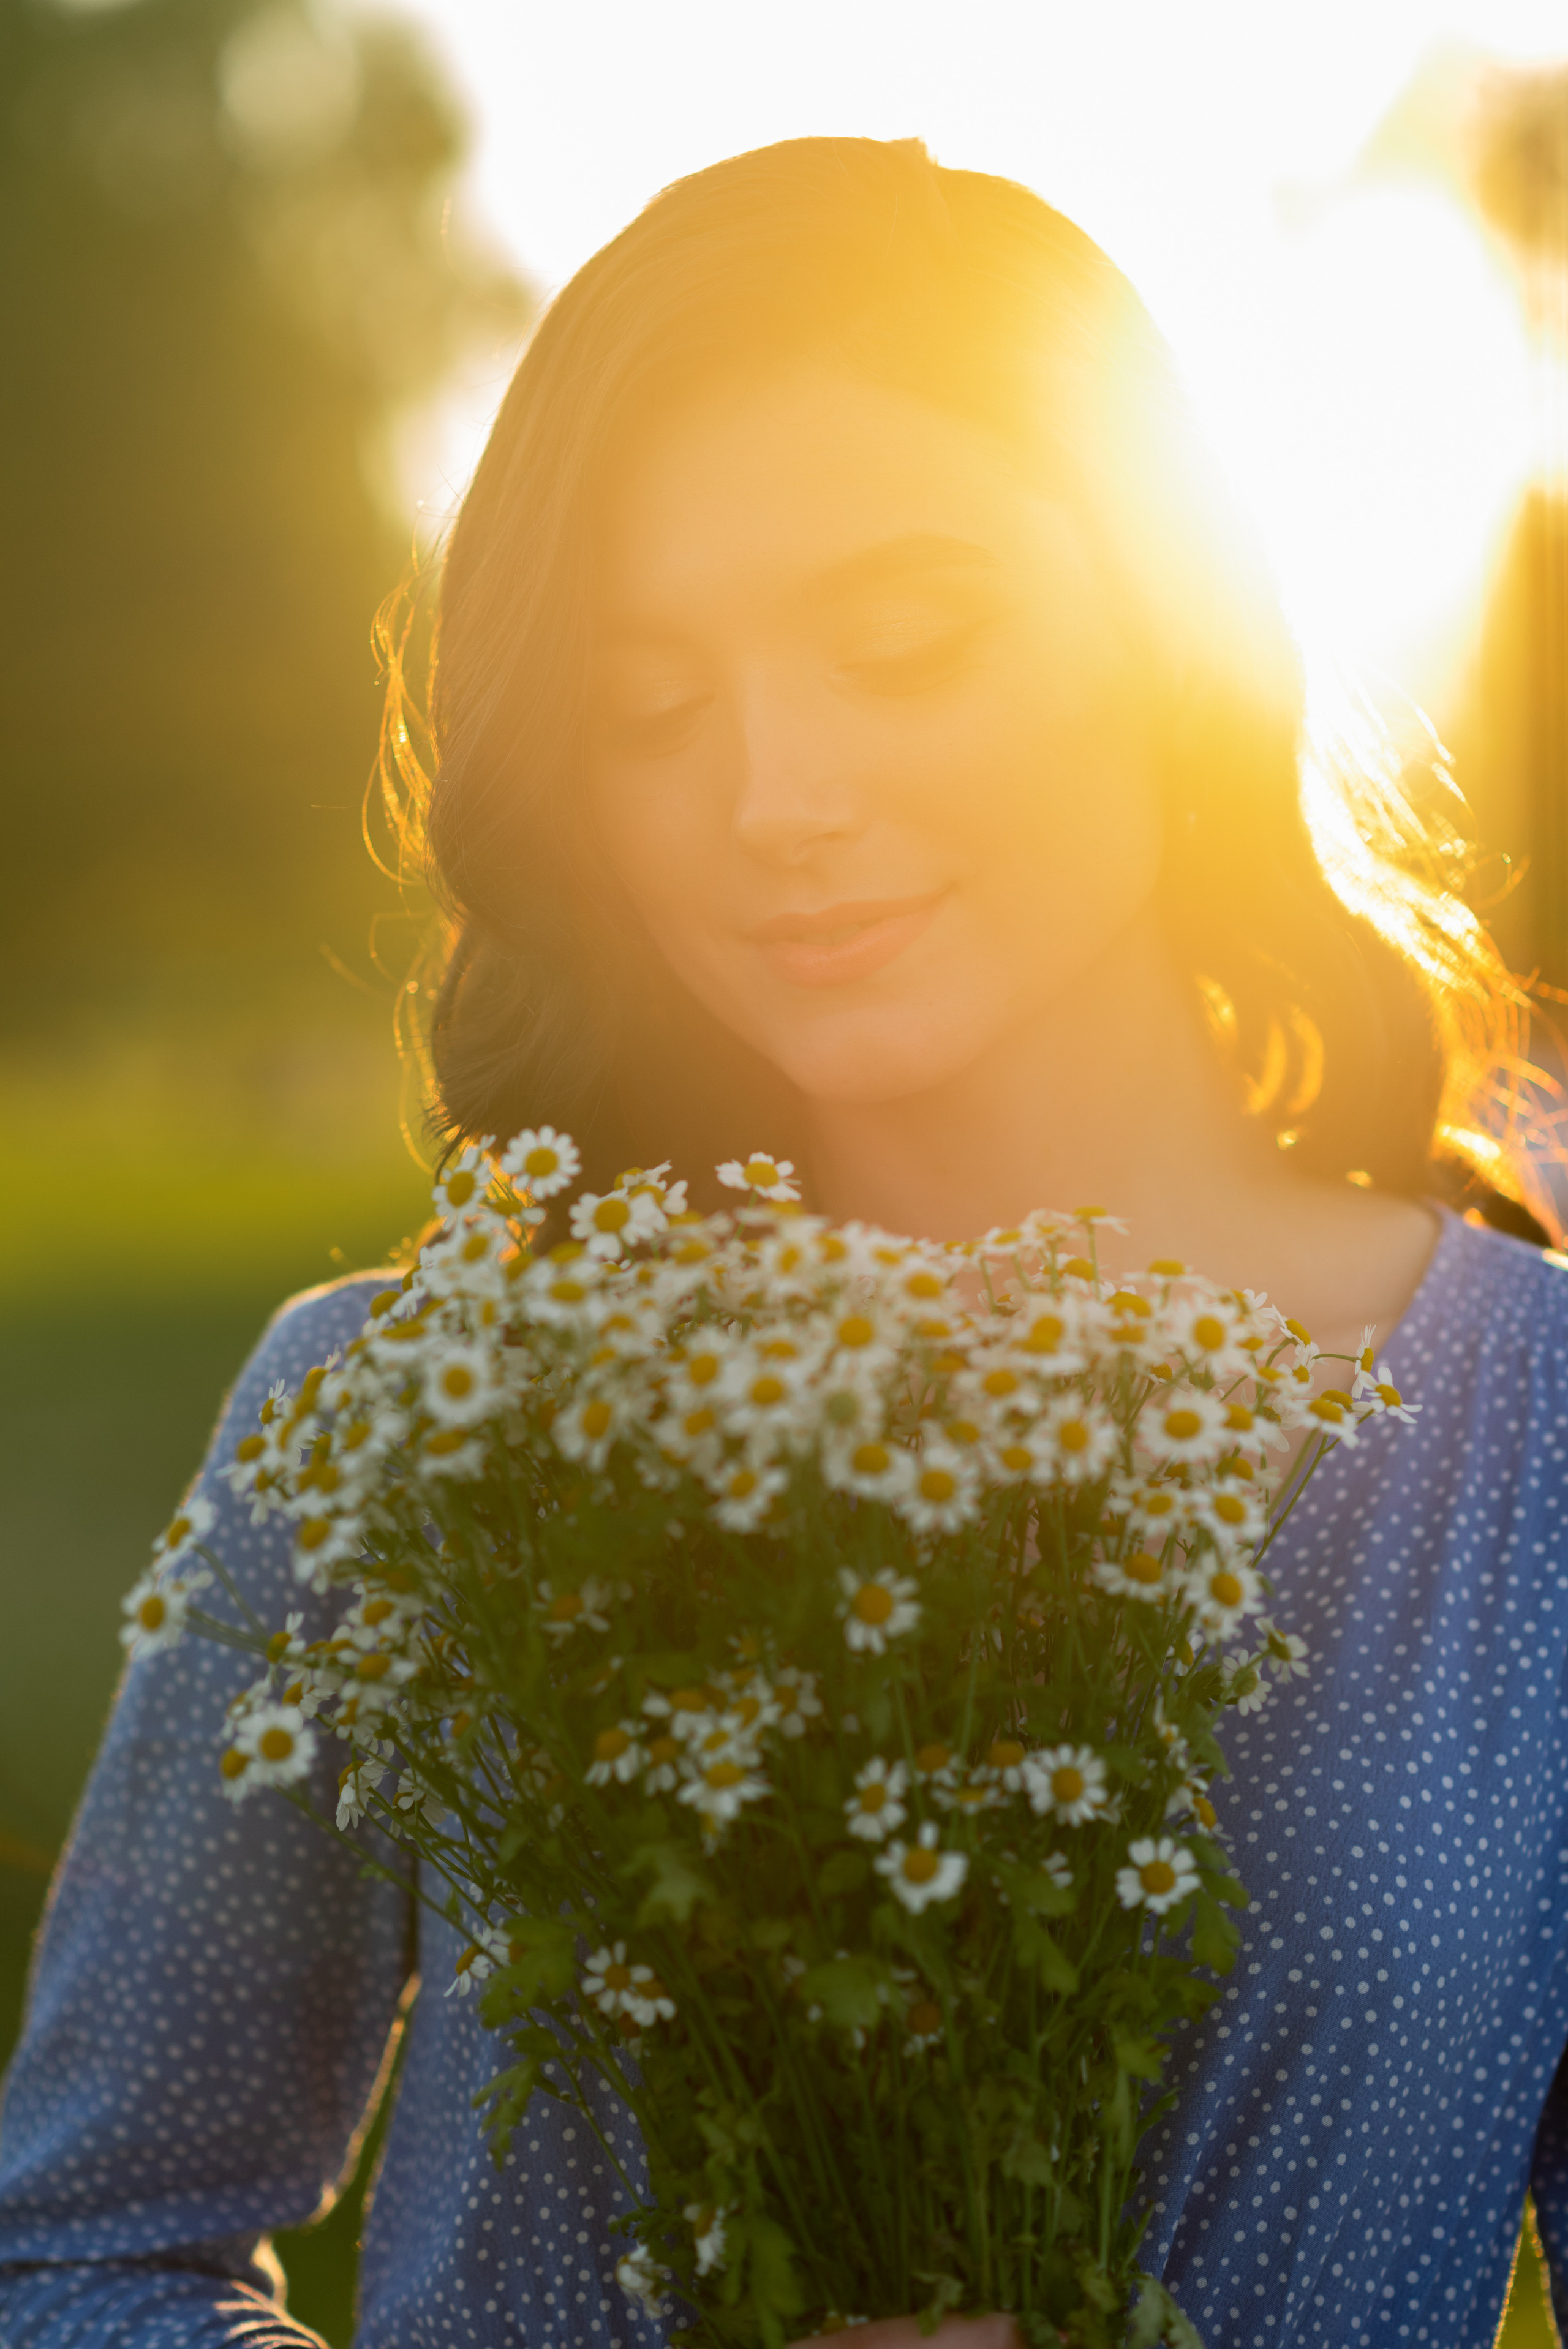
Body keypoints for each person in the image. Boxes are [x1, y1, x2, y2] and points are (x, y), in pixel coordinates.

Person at [1, 134, 1565, 2349]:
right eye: (647, 707)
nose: (774, 792)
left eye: (905, 639)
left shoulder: (1543, 1449)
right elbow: (67, 2255)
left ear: (1171, 627)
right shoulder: (406, 1430)